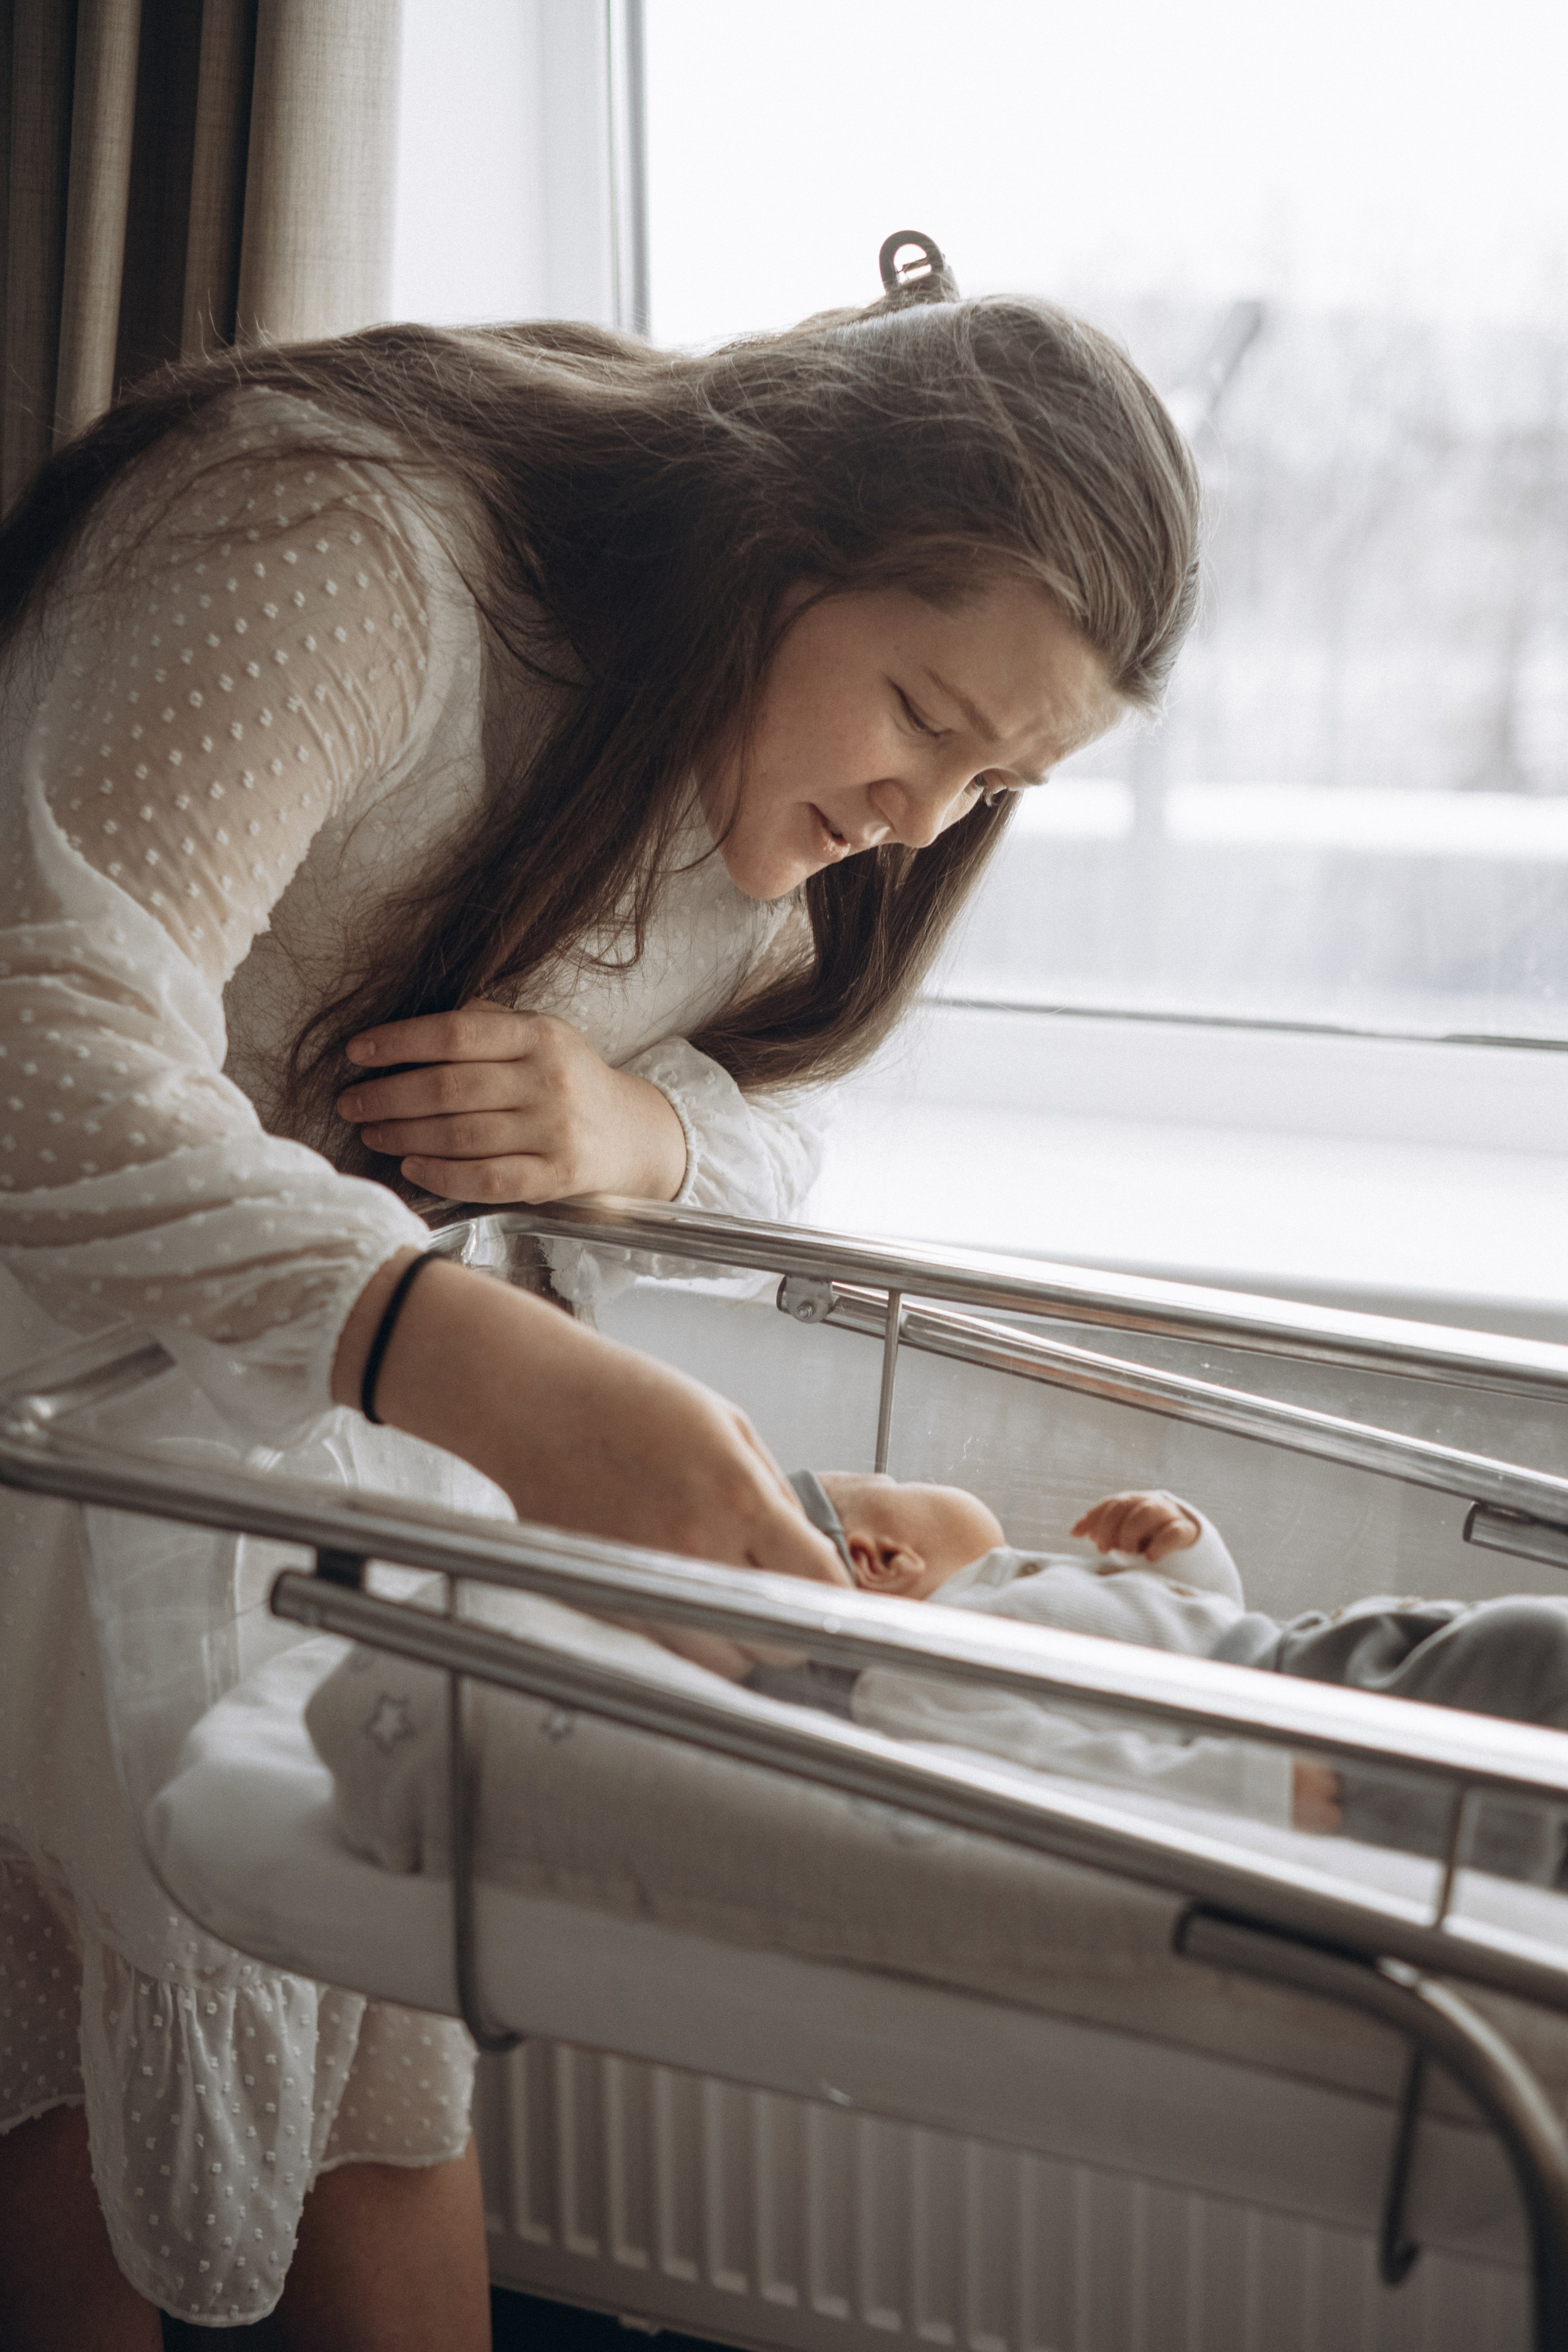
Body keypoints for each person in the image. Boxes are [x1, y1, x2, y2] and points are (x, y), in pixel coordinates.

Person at [0, 230, 1199, 2349]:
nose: (920, 823)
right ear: (767, 534)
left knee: (381, 2090)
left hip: (311, 1461)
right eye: (923, 713)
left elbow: (772, 1129)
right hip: (55, 1409)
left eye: (994, 783)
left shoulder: (776, 827)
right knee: (79, 2107)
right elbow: (35, 1037)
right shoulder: (344, 542)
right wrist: (463, 1354)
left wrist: (635, 1138)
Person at [747, 1472, 1568, 1856]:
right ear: (878, 1556)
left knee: (1515, 1653)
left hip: (1296, 1657)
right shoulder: (917, 1671)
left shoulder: (1013, 1583)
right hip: (1293, 1732)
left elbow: (1205, 1610)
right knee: (1531, 1656)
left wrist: (1183, 1545)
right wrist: (1246, 1789)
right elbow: (1048, 1771)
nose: (900, 1470)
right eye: (883, 1476)